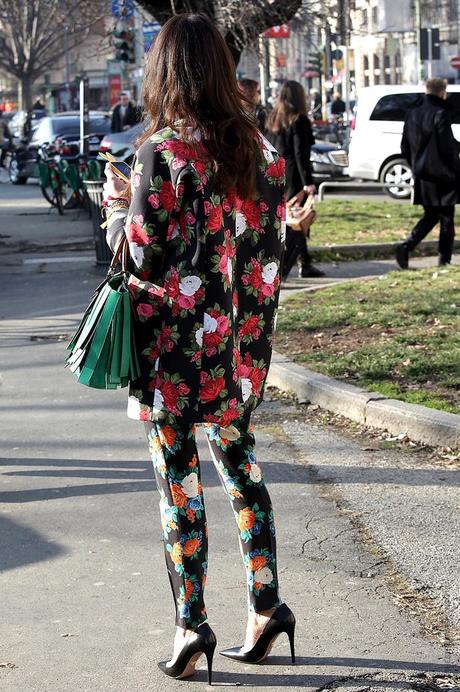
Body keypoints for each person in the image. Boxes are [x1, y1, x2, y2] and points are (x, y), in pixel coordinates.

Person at [102, 13, 295, 684]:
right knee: (243, 470)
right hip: (242, 355)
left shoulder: (164, 152)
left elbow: (141, 258)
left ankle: (192, 624)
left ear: (164, 73)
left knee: (178, 483)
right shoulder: (264, 151)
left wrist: (115, 212)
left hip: (176, 361)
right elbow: (272, 255)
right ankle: (267, 608)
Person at [397, 77, 460, 269]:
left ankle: (406, 247)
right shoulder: (441, 113)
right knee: (447, 218)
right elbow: (447, 147)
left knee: (431, 215)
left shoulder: (412, 113)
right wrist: (456, 171)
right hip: (443, 175)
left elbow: (404, 146)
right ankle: (444, 260)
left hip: (423, 175)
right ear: (443, 92)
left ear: (426, 90)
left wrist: (416, 165)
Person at [266, 80, 324, 279]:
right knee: (296, 220)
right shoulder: (299, 120)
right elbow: (301, 153)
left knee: (290, 218)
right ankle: (287, 266)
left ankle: (303, 262)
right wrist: (308, 181)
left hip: (275, 171)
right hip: (293, 174)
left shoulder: (273, 118)